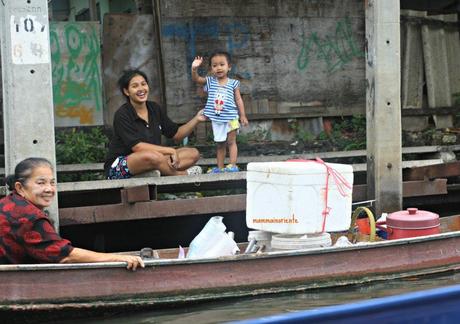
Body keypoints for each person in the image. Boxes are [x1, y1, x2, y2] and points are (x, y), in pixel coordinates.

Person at [0, 157, 144, 270]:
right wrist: (116, 258)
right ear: (19, 187)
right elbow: (65, 255)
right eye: (41, 183)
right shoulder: (31, 217)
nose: (49, 189)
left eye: (52, 182)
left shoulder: (7, 202)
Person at [104, 69, 206, 179]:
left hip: (154, 159)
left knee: (192, 153)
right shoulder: (122, 114)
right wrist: (170, 151)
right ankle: (182, 175)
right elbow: (138, 147)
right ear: (126, 91)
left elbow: (177, 134)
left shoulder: (154, 108)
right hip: (120, 166)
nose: (141, 89)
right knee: (152, 156)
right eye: (135, 86)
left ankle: (155, 172)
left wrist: (197, 118)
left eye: (143, 84)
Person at [191, 51, 249, 173]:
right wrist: (194, 69)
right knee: (220, 144)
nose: (218, 68)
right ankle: (220, 167)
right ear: (211, 69)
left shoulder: (233, 83)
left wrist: (242, 115)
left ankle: (232, 165)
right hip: (217, 119)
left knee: (231, 142)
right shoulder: (210, 82)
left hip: (231, 118)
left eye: (222, 64)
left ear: (229, 67)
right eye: (215, 65)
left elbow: (238, 99)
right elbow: (196, 79)